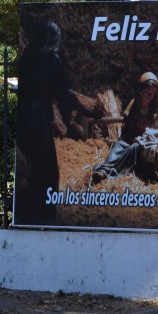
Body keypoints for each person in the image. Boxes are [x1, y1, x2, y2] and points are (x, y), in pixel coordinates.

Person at [15, 20, 100, 225]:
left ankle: (29, 213)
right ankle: (43, 215)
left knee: (31, 166)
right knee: (47, 169)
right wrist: (86, 110)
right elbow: (63, 93)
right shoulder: (50, 58)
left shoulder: (27, 57)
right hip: (38, 117)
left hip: (22, 117)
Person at [91, 72, 158, 184]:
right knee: (119, 145)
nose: (149, 96)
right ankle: (104, 168)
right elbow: (127, 125)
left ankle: (108, 173)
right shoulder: (134, 104)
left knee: (135, 148)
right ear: (140, 91)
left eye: (152, 93)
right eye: (146, 92)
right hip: (130, 139)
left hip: (147, 142)